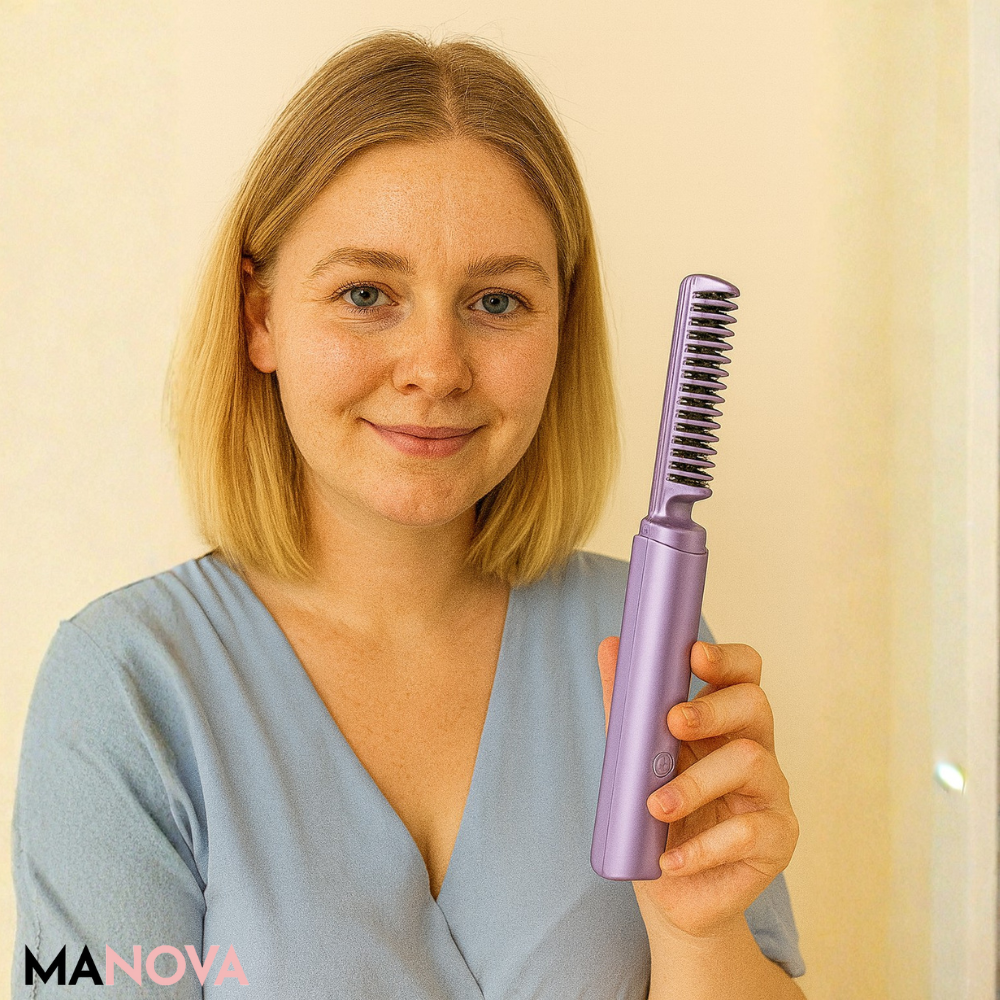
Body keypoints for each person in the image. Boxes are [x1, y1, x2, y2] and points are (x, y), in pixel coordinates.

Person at [11, 30, 806, 999]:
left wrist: (700, 934)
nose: (435, 367)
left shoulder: (649, 647)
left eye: (498, 302)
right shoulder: (124, 690)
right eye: (366, 294)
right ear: (260, 318)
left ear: (561, 325)